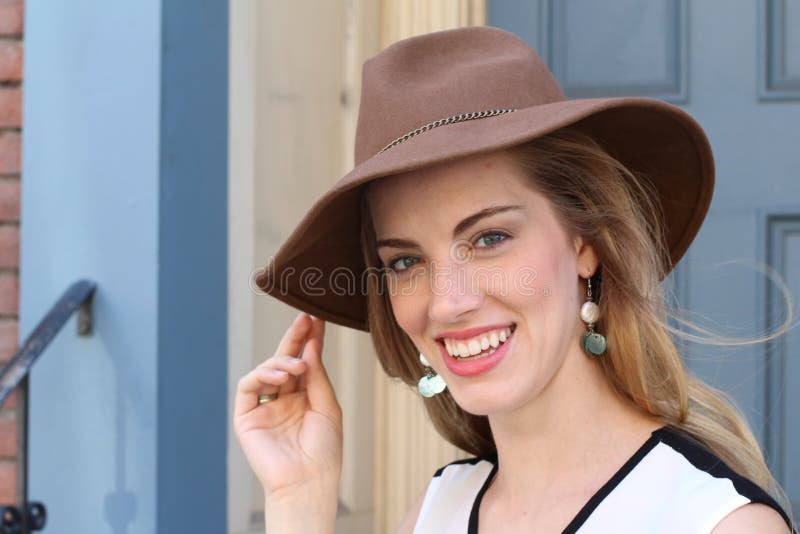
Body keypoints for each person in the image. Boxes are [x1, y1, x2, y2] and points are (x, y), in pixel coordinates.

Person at [233, 26, 796, 533]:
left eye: (490, 238)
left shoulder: (714, 525)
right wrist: (299, 500)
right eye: (405, 262)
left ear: (586, 243)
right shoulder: (436, 511)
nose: (447, 303)